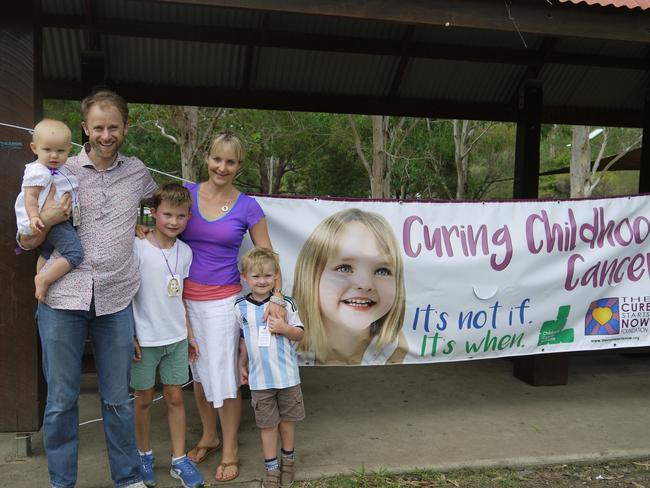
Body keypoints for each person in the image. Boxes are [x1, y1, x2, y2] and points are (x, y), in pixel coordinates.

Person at [19, 90, 156, 488]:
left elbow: (152, 204)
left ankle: (128, 479)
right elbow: (25, 239)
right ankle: (62, 483)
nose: (106, 134)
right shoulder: (58, 169)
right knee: (62, 402)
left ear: (126, 128)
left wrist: (145, 224)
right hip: (63, 299)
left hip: (115, 300)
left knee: (117, 399)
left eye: (114, 126)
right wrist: (43, 219)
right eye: (98, 127)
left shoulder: (138, 173)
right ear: (85, 129)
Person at [181, 133, 284, 482]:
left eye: (230, 162)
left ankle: (230, 449)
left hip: (224, 301)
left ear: (239, 166)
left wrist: (277, 299)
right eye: (217, 159)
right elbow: (158, 226)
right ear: (206, 159)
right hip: (184, 299)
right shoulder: (187, 194)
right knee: (198, 372)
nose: (222, 167)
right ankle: (208, 436)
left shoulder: (248, 206)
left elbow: (269, 255)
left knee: (224, 376)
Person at [130, 183, 204, 488]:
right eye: (167, 215)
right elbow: (126, 294)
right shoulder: (137, 247)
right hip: (144, 339)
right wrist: (130, 335)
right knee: (143, 399)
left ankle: (178, 460)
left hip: (174, 338)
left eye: (181, 216)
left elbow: (182, 297)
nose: (174, 222)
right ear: (154, 214)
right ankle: (143, 455)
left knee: (175, 397)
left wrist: (190, 336)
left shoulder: (185, 252)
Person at [293, 208, 407, 365]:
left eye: (382, 270)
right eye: (345, 268)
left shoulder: (396, 351)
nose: (365, 284)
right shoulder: (289, 349)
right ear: (311, 276)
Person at [236, 247, 305, 488]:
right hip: (260, 380)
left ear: (276, 277)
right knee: (267, 425)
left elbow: (300, 334)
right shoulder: (240, 307)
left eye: (268, 276)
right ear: (245, 277)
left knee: (287, 422)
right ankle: (272, 469)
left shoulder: (286, 304)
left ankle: (288, 462)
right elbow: (244, 339)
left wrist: (285, 329)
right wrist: (241, 363)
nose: (262, 281)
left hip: (287, 378)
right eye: (256, 276)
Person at [14, 119, 83, 301]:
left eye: (60, 151)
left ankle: (40, 287)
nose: (54, 155)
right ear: (34, 148)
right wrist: (35, 216)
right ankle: (43, 279)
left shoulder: (59, 169)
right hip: (53, 222)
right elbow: (30, 197)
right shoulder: (38, 171)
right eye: (47, 150)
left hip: (60, 220)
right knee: (75, 254)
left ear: (69, 149)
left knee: (46, 252)